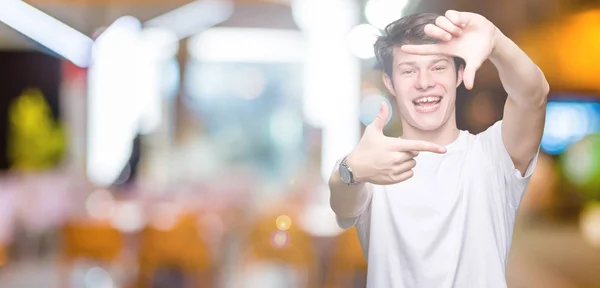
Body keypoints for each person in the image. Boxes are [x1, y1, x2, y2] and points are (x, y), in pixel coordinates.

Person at [329, 10, 549, 288]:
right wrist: (351, 170)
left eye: (438, 67)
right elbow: (342, 203)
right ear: (390, 82)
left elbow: (534, 96)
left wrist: (495, 40)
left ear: (459, 73)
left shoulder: (493, 154)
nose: (424, 82)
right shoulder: (373, 162)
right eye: (409, 70)